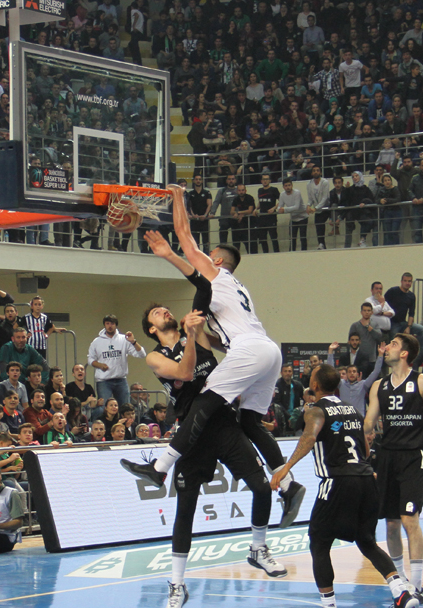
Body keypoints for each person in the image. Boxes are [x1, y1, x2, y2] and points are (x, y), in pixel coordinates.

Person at [122, 185, 300, 520]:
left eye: (208, 253)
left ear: (216, 260)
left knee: (203, 401)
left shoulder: (213, 274)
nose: (202, 255)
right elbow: (220, 341)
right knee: (250, 422)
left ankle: (160, 467)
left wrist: (177, 198)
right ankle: (289, 484)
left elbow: (183, 233)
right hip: (268, 351)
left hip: (249, 350)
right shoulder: (237, 287)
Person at [138, 303, 286, 608]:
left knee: (262, 488)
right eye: (156, 313)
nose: (164, 311)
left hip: (221, 422)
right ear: (151, 329)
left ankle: (258, 548)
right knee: (186, 510)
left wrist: (199, 332)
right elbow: (185, 373)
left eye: (165, 308)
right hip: (191, 432)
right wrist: (189, 337)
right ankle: (176, 585)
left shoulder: (199, 336)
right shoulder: (154, 357)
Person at [271, 363, 418, 608]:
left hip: (337, 482)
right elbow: (365, 443)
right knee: (366, 541)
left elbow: (308, 437)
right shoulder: (352, 409)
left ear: (315, 385)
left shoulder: (316, 410)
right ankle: (401, 592)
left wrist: (286, 467)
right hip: (365, 479)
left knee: (318, 541)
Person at [364, 332, 423, 601]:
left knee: (409, 519)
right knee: (391, 524)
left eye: (393, 344)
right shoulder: (378, 386)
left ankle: (416, 585)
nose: (387, 348)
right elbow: (370, 423)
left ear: (404, 353)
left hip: (415, 456)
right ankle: (401, 580)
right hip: (387, 457)